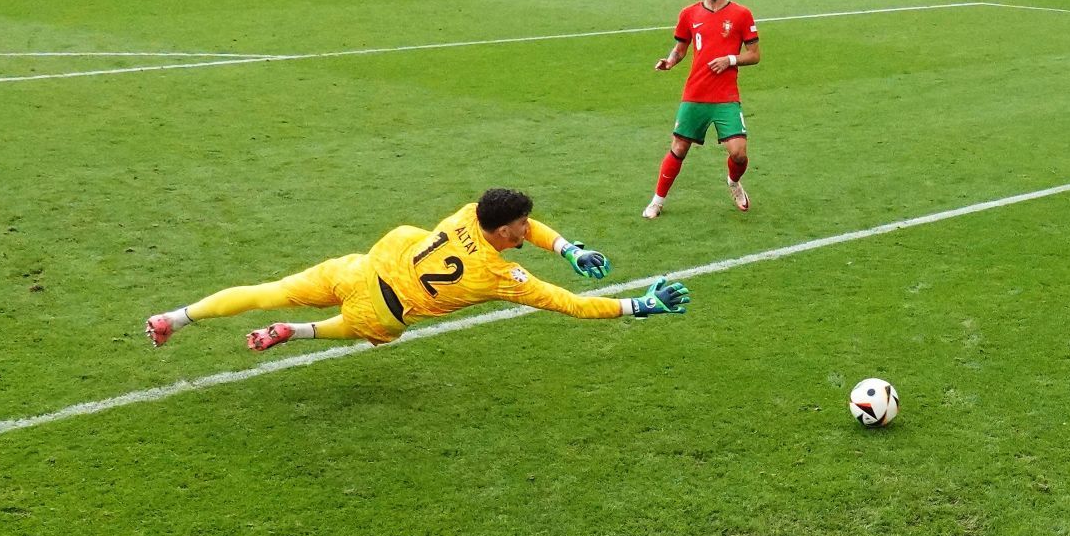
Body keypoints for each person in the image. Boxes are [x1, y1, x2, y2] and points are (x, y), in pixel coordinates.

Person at [147, 187, 688, 352]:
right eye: (523, 226)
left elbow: (524, 226)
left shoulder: (466, 214)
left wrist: (568, 248)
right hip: (383, 311)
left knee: (269, 291)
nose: (529, 230)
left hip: (360, 269)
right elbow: (568, 303)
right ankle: (300, 333)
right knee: (368, 332)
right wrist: (637, 304)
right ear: (502, 231)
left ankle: (176, 318)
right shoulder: (499, 276)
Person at [643, 0, 760, 219]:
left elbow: (754, 54)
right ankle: (657, 201)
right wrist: (670, 61)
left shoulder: (741, 14)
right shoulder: (689, 14)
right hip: (695, 94)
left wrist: (730, 59)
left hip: (726, 96)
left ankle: (733, 182)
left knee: (739, 154)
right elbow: (681, 47)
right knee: (679, 147)